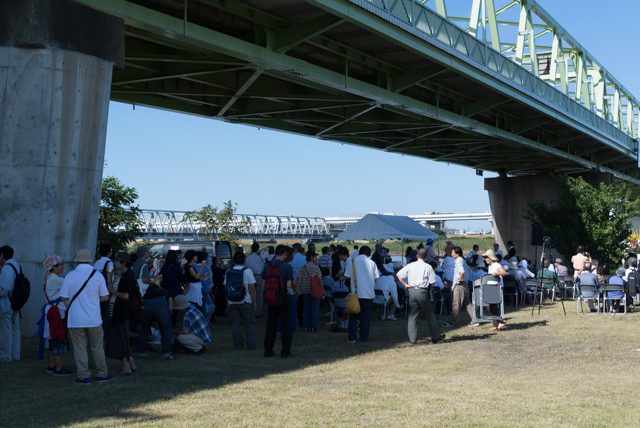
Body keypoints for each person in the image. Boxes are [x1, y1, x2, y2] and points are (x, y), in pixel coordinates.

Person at [60, 249, 112, 384]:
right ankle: (102, 374)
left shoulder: (70, 275)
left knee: (80, 348)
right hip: (94, 318)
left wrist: (73, 304)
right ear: (90, 260)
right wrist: (92, 300)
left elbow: (63, 296)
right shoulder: (98, 275)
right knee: (97, 347)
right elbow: (105, 297)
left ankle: (84, 376)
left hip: (76, 319)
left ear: (76, 261)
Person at [396, 249, 445, 344]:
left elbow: (398, 275)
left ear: (417, 256)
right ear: (426, 257)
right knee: (430, 314)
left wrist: (405, 284)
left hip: (412, 290)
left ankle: (412, 339)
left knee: (412, 315)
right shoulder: (428, 267)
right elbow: (432, 282)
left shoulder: (410, 265)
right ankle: (435, 337)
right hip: (422, 291)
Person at [107, 252, 140, 375]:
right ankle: (130, 362)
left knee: (121, 338)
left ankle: (126, 366)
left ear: (123, 263)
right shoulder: (126, 275)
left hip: (122, 311)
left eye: (117, 261)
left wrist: (113, 291)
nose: (115, 263)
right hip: (123, 311)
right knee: (123, 337)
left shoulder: (127, 277)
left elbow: (125, 295)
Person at [42, 255, 72, 375]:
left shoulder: (49, 278)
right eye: (60, 264)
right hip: (57, 312)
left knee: (51, 338)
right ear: (53, 267)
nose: (62, 267)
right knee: (58, 338)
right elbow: (71, 285)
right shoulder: (56, 279)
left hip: (51, 311)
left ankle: (52, 365)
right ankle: (59, 368)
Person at [344, 246, 380, 343]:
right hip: (369, 294)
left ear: (359, 253)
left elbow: (347, 276)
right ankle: (363, 339)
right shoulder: (372, 263)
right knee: (366, 319)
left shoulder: (352, 262)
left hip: (356, 294)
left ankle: (352, 338)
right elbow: (376, 278)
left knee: (353, 318)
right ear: (369, 254)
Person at [263, 245, 294, 358]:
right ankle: (285, 351)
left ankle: (268, 350)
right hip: (283, 297)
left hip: (270, 297)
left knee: (271, 324)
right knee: (286, 325)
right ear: (284, 254)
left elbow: (264, 279)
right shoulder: (287, 267)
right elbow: (289, 284)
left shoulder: (267, 266)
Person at [137, 267, 174, 360]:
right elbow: (170, 303)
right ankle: (167, 352)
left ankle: (143, 352)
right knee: (166, 328)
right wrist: (169, 313)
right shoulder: (165, 291)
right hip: (161, 303)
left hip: (146, 303)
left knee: (143, 328)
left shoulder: (147, 293)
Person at [226, 251, 257, 349]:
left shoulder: (228, 271)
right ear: (244, 260)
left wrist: (227, 302)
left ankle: (238, 345)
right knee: (249, 324)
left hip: (232, 301)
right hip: (245, 300)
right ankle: (251, 344)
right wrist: (254, 302)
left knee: (235, 324)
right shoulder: (247, 271)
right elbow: (252, 288)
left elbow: (226, 287)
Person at [441, 246, 474, 328]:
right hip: (464, 284)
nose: (451, 254)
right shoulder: (462, 260)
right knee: (467, 303)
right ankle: (475, 320)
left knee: (456, 304)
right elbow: (467, 271)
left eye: (453, 252)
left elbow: (462, 272)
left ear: (457, 253)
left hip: (459, 285)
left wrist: (459, 280)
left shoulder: (458, 261)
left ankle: (451, 322)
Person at [0, 246, 21, 361]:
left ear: (2, 255)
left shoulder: (7, 268)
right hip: (16, 302)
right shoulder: (16, 266)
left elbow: (4, 288)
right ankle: (15, 354)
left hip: (7, 304)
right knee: (15, 329)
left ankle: (5, 355)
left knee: (6, 330)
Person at [295, 250, 323, 332]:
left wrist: (298, 290)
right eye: (315, 256)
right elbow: (320, 280)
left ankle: (305, 326)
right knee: (315, 310)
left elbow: (299, 279)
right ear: (312, 257)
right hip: (315, 291)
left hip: (305, 291)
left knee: (306, 309)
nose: (316, 258)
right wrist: (322, 290)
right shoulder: (316, 267)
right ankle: (313, 327)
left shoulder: (303, 267)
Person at [481, 250, 508, 331]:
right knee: (491, 306)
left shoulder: (496, 264)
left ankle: (501, 322)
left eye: (486, 257)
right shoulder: (490, 266)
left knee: (491, 306)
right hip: (491, 288)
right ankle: (496, 324)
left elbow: (504, 273)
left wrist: (496, 273)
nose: (485, 259)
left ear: (490, 258)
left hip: (496, 288)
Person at [246, 243, 265, 317]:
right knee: (260, 295)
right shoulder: (261, 257)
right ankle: (259, 312)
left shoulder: (248, 257)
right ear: (258, 249)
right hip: (260, 276)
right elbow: (264, 265)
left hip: (251, 276)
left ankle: (251, 311)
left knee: (251, 294)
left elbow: (246, 266)